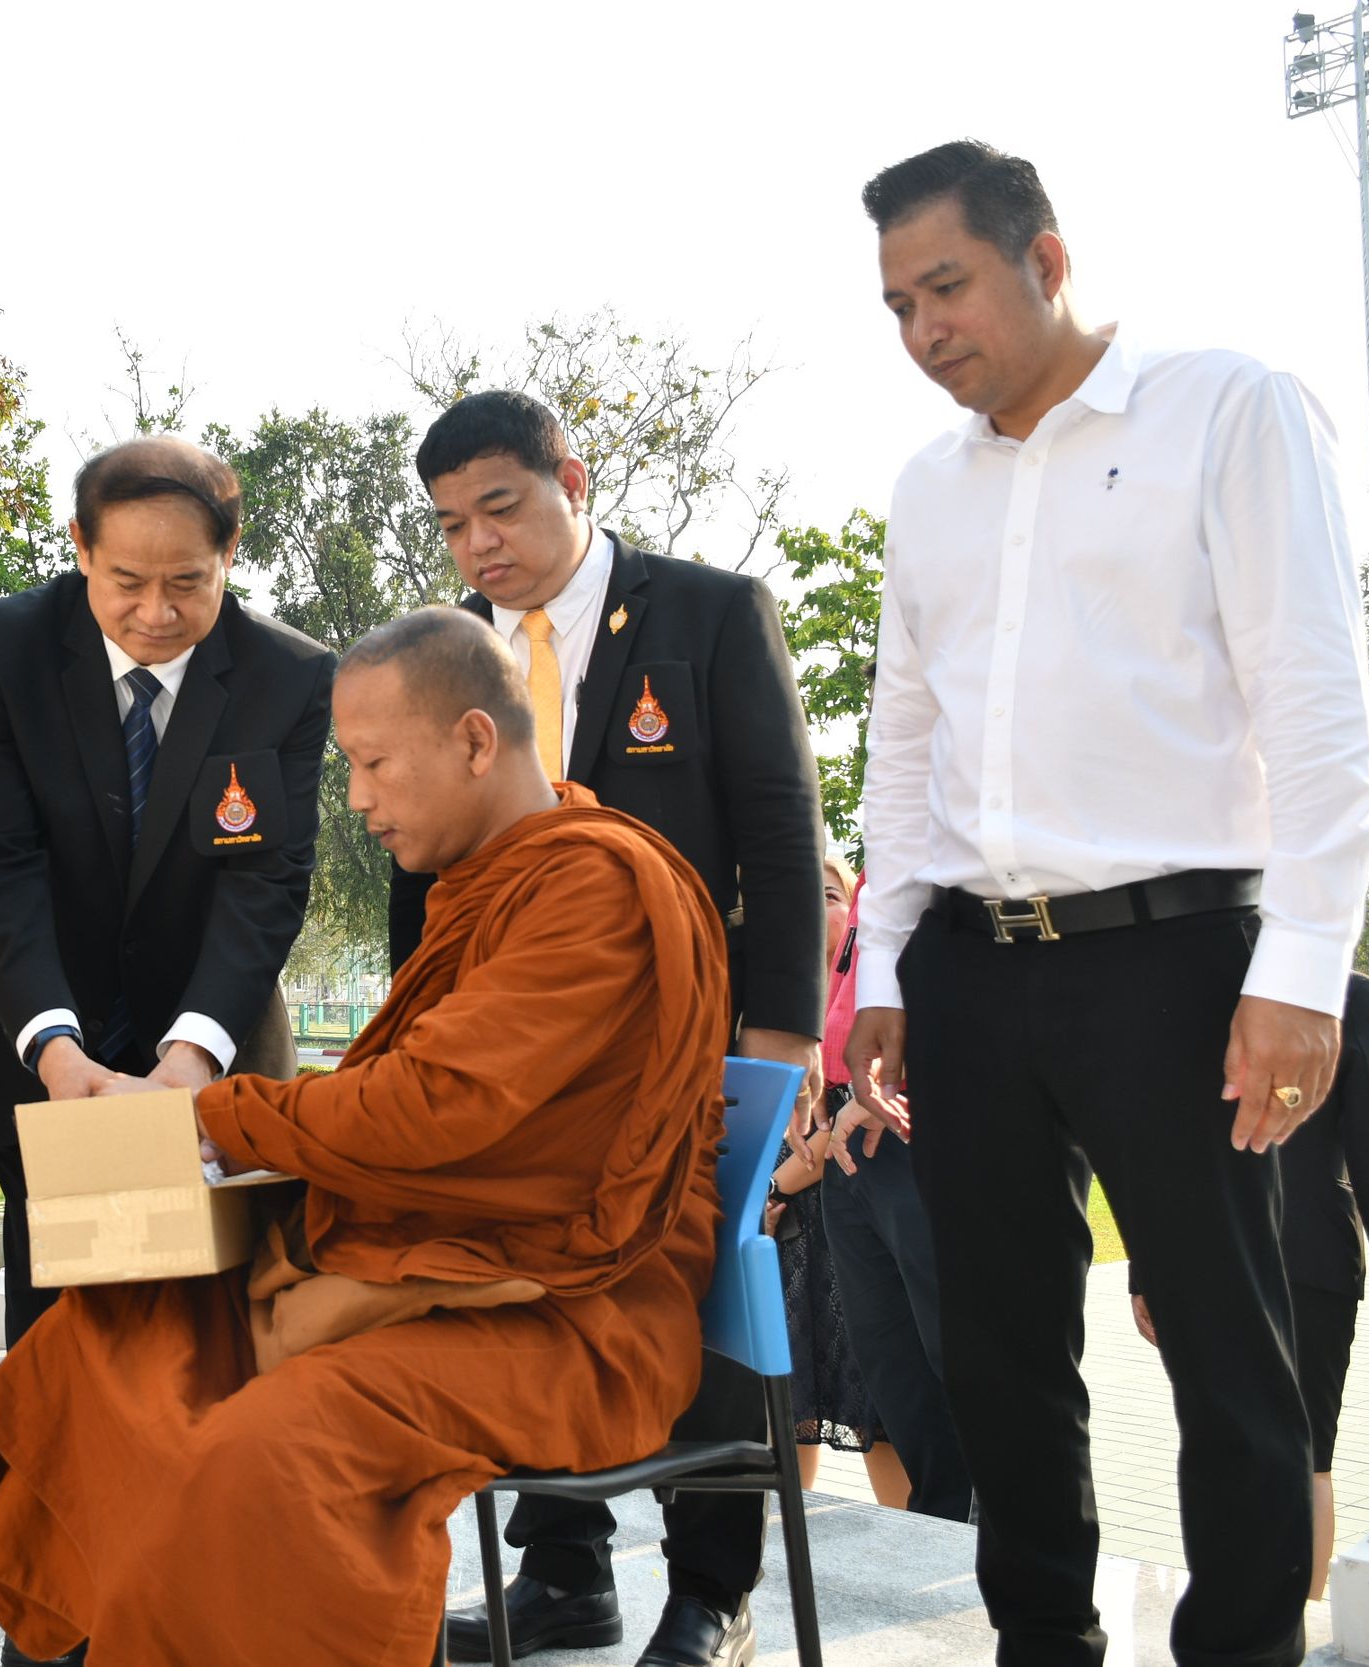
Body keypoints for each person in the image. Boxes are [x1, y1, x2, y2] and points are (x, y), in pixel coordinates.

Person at [839, 142, 1369, 1667]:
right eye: (897, 305)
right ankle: (1042, 1639)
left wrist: (1304, 966)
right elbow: (904, 744)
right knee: (999, 1350)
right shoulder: (928, 487)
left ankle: (1243, 1648)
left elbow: (1318, 703)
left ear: (1048, 259)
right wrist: (885, 964)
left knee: (1225, 1346)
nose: (924, 329)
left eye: (947, 286)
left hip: (1181, 957)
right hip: (968, 967)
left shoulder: (1226, 409)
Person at [0, 607, 732, 1666]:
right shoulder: (492, 880)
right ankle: (88, 1635)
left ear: (474, 740)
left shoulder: (592, 887)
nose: (357, 798)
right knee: (115, 1336)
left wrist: (207, 1115)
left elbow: (434, 1103)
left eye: (372, 763)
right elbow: (406, 1098)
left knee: (273, 1446)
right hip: (440, 1265)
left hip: (566, 1312)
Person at [398, 392, 827, 1667]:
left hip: (692, 1045)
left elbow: (781, 832)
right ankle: (563, 1573)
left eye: (500, 507)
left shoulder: (708, 614)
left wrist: (784, 1034)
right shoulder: (448, 651)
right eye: (452, 524)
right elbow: (423, 863)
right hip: (518, 1056)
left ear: (571, 481)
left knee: (704, 1294)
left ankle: (712, 1592)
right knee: (519, 1283)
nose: (479, 543)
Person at [0, 435, 336, 1352]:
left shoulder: (288, 675)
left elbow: (266, 881)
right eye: (126, 581)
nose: (156, 613)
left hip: (211, 1022)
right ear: (81, 546)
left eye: (188, 581)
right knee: (61, 1289)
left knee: (217, 1315)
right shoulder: (2, 647)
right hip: (30, 1020)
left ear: (229, 552)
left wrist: (193, 1055)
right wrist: (56, 1049)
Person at [1130, 972, 1369, 1600]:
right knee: (1307, 1458)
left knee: (1222, 1450)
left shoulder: (1189, 980)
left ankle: (1229, 1619)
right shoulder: (1349, 995)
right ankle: (1296, 1624)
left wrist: (1146, 1267)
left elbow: (1151, 1138)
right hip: (1308, 1252)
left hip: (1203, 1254)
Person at [818, 860, 972, 1524]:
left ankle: (995, 1543)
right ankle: (941, 1531)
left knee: (961, 1357)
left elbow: (966, 973)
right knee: (894, 1370)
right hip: (852, 1129)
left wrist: (886, 1085)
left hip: (918, 1118)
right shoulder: (878, 868)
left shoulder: (949, 850)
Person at [761, 857, 898, 1504]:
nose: (815, 910)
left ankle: (919, 1530)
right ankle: (788, 1523)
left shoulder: (865, 1008)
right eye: (800, 895)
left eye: (829, 894)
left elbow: (833, 1118)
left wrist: (776, 1186)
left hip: (830, 1209)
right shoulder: (777, 1009)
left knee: (872, 1400)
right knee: (796, 1396)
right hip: (788, 1234)